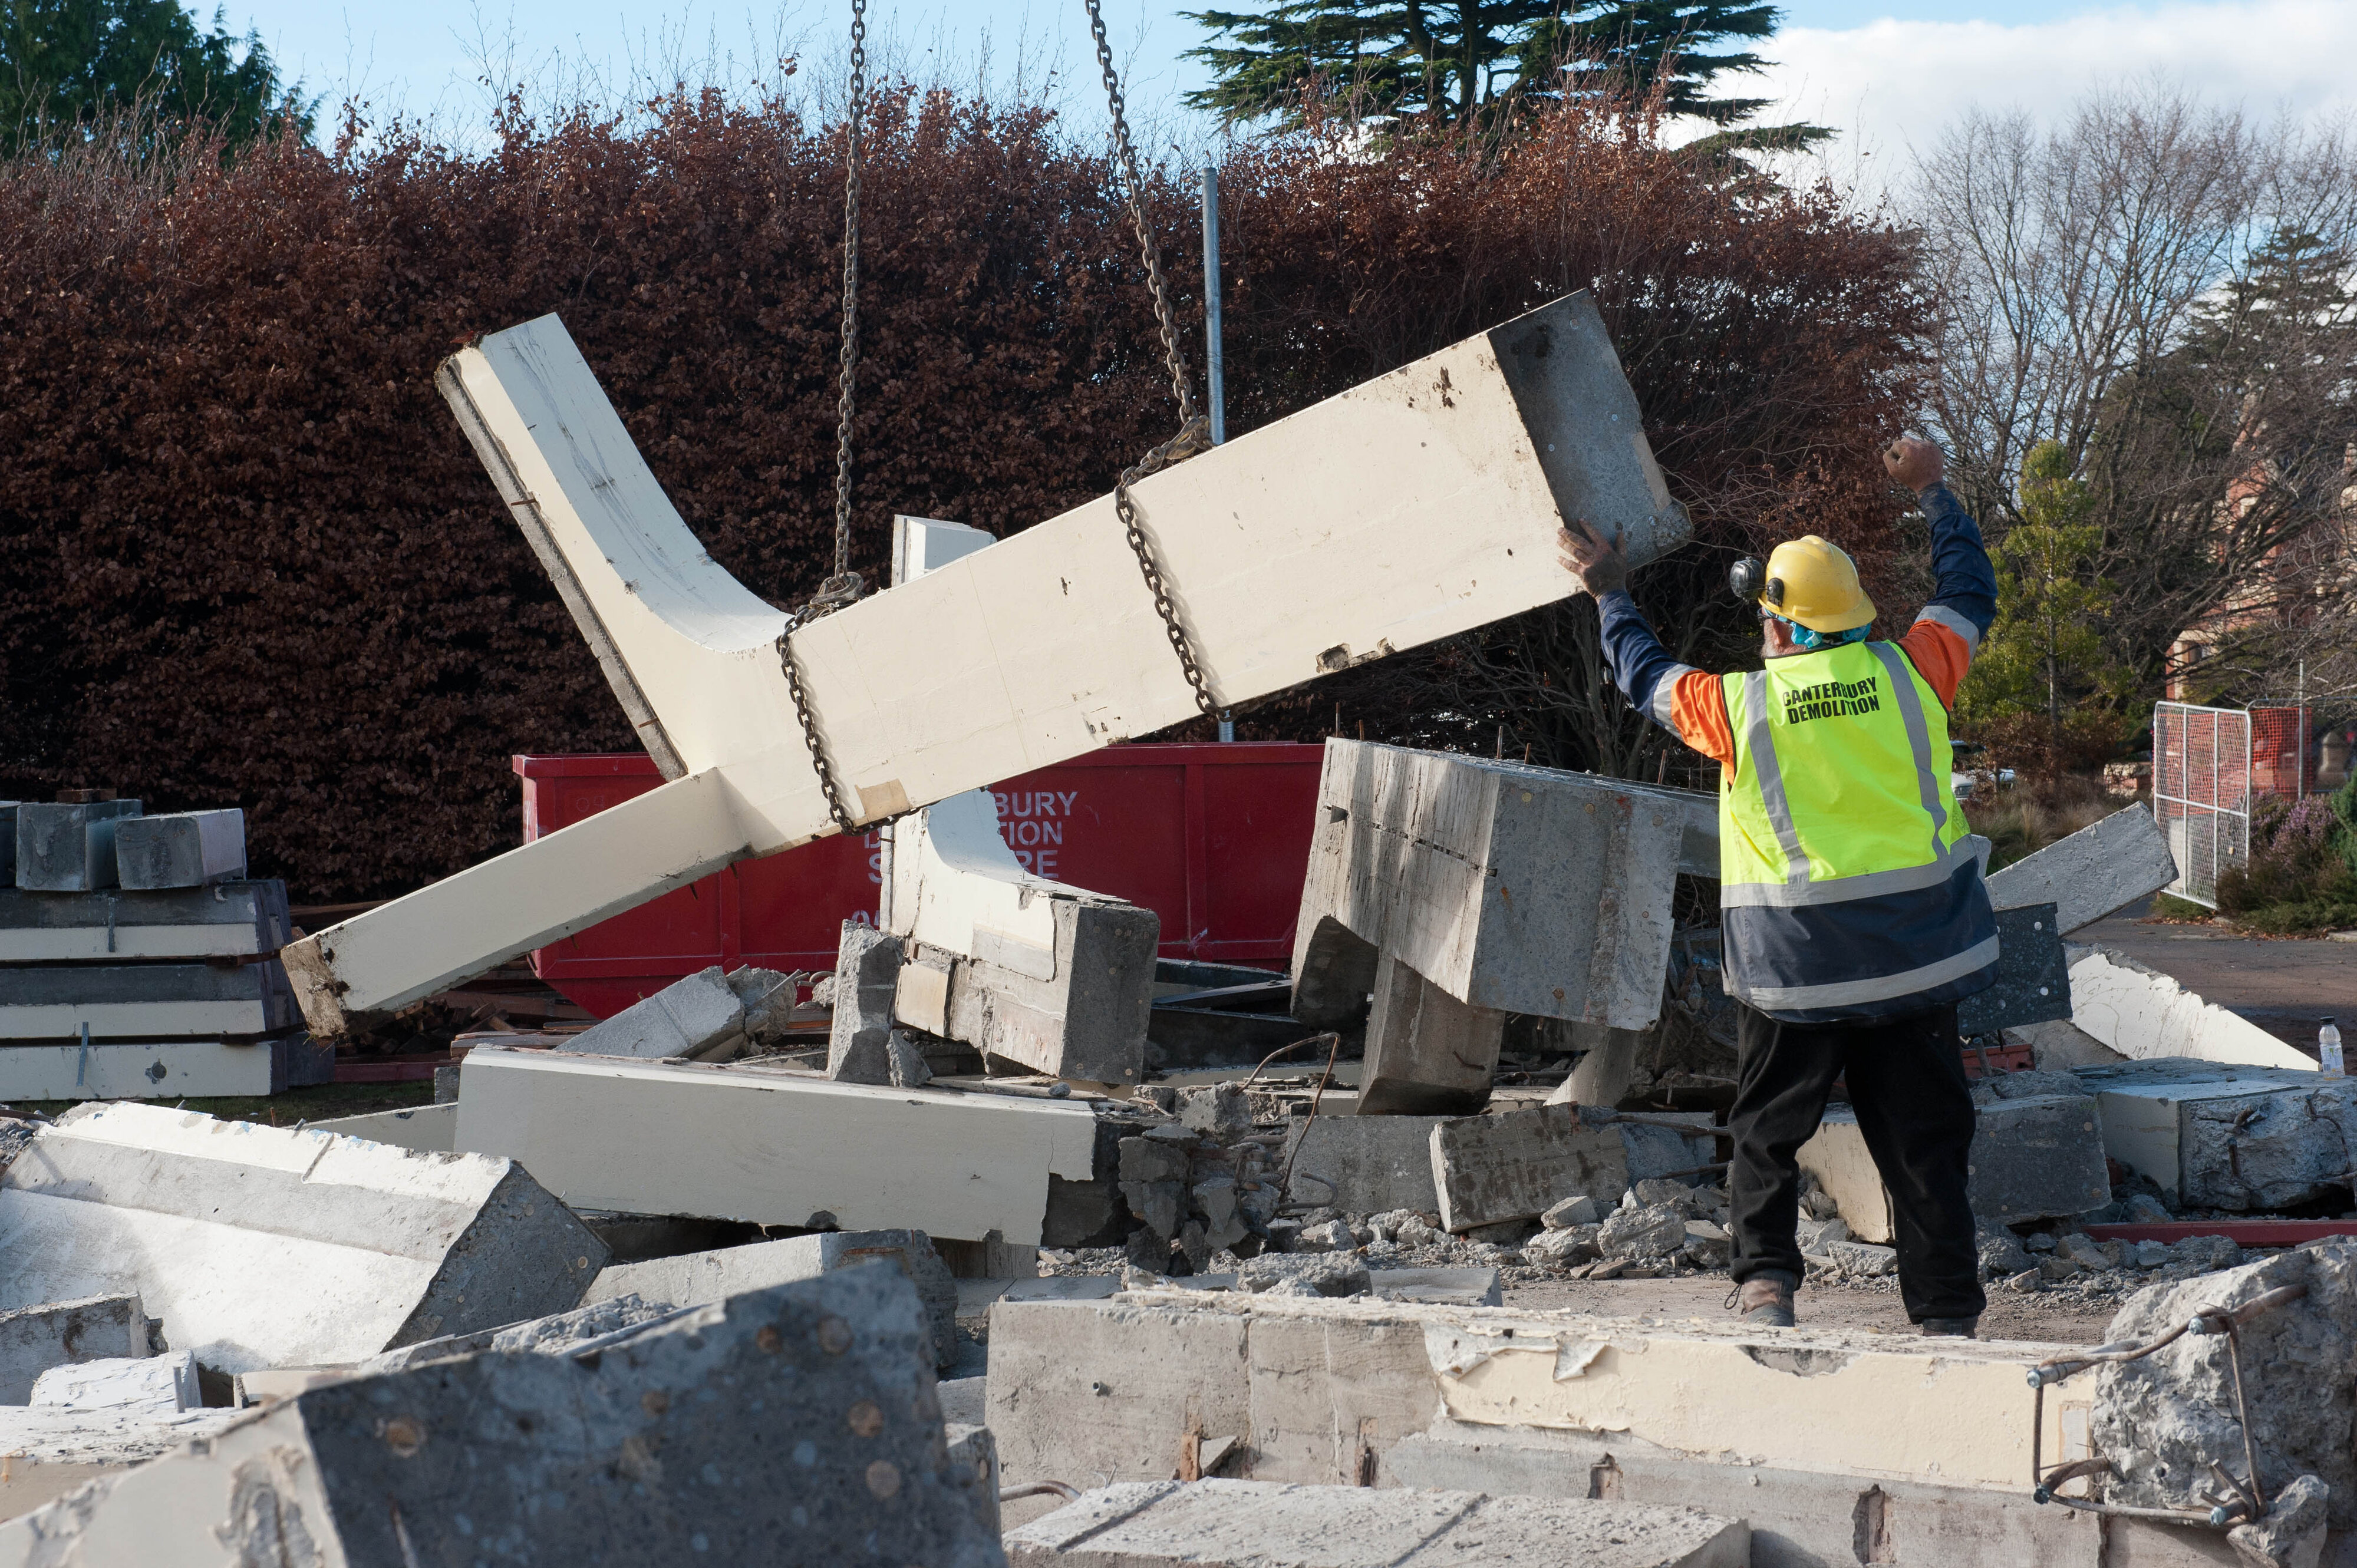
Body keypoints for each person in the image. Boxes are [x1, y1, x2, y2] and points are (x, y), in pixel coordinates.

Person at [1557, 433, 2000, 1337]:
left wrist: (1609, 592)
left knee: (1766, 1132)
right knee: (1926, 1149)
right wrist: (1934, 493)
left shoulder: (1739, 707)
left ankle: (1766, 1286)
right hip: (1916, 961)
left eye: (1767, 618)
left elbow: (1644, 673)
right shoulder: (1916, 671)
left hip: (1799, 973)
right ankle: (1948, 1314)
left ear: (1786, 630)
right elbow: (1967, 592)